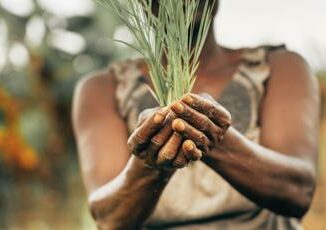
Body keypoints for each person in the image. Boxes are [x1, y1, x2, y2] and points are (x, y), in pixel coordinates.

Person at [72, 1, 319, 229]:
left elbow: (298, 192)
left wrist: (213, 139)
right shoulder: (104, 89)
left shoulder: (278, 68)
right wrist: (149, 165)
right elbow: (109, 218)